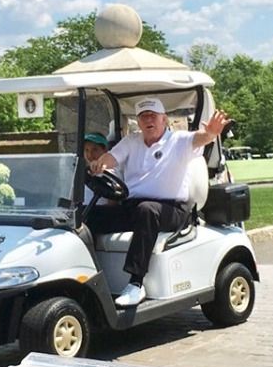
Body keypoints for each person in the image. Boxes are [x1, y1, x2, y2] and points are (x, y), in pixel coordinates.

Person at [88, 97, 230, 307]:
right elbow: (112, 158)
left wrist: (211, 133)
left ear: (164, 119)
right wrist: (100, 164)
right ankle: (87, 274)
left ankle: (136, 283)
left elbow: (201, 138)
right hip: (134, 207)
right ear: (139, 121)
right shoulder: (132, 141)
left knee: (148, 211)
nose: (148, 120)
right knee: (87, 215)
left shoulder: (179, 141)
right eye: (144, 116)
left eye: (153, 116)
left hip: (172, 210)